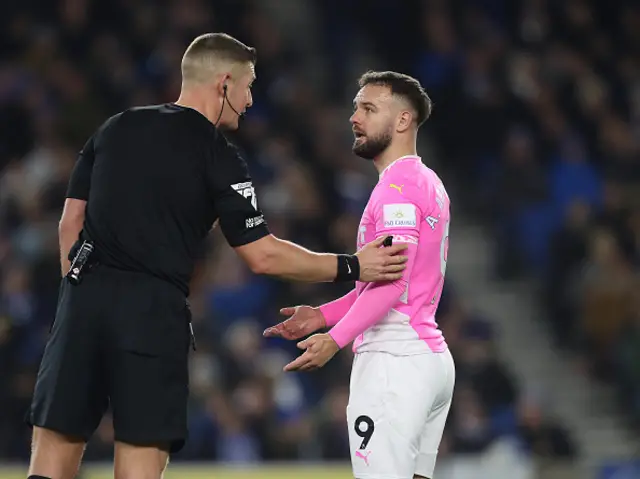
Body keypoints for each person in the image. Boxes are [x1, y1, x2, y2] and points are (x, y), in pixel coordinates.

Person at [24, 34, 409, 479]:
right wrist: (353, 265)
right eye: (247, 87)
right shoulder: (217, 155)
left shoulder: (115, 128)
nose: (248, 102)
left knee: (49, 466)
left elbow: (70, 223)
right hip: (151, 313)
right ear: (223, 83)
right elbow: (263, 255)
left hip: (82, 302)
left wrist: (77, 296)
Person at [264, 71, 455, 479]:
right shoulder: (428, 182)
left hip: (394, 363)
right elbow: (387, 281)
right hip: (430, 359)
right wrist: (321, 315)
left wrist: (334, 340)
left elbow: (391, 283)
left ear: (403, 120)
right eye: (355, 107)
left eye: (368, 108)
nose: (354, 117)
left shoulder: (396, 190)